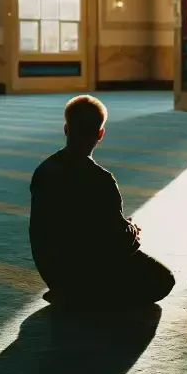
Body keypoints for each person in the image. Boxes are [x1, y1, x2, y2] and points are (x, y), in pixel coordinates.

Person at [29, 94, 175, 309]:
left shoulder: (44, 170)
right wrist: (131, 230)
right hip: (89, 275)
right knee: (164, 280)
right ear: (100, 134)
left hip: (54, 273)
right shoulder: (101, 179)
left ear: (66, 129)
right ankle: (90, 297)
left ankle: (68, 293)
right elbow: (117, 242)